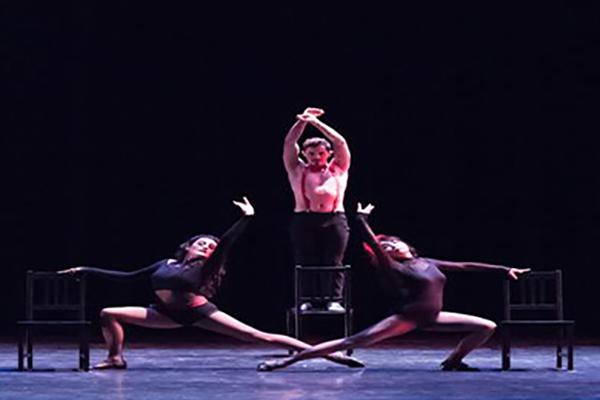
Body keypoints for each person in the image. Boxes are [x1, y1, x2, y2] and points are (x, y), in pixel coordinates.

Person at [59, 197, 363, 370]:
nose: (207, 247)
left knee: (258, 336)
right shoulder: (165, 264)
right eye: (203, 243)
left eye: (211, 246)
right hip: (164, 314)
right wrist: (86, 269)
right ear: (188, 246)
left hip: (199, 311)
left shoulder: (208, 266)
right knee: (109, 313)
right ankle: (115, 358)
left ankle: (327, 353)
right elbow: (126, 277)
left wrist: (246, 218)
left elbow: (228, 242)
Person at [257, 202, 530, 372]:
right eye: (386, 246)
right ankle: (285, 362)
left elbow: (466, 266)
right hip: (405, 318)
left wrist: (504, 270)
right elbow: (374, 244)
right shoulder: (394, 267)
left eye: (393, 242)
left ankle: (454, 361)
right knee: (353, 341)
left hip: (433, 316)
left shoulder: (427, 261)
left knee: (487, 326)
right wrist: (362, 220)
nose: (390, 246)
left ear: (406, 246)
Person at [283, 107, 351, 312]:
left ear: (328, 154)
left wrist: (316, 123)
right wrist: (303, 121)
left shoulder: (338, 168)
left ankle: (334, 300)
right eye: (311, 153)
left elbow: (340, 143)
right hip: (304, 218)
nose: (316, 157)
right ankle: (306, 300)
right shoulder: (297, 169)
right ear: (304, 154)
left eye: (321, 153)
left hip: (334, 217)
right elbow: (289, 143)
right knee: (305, 260)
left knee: (334, 260)